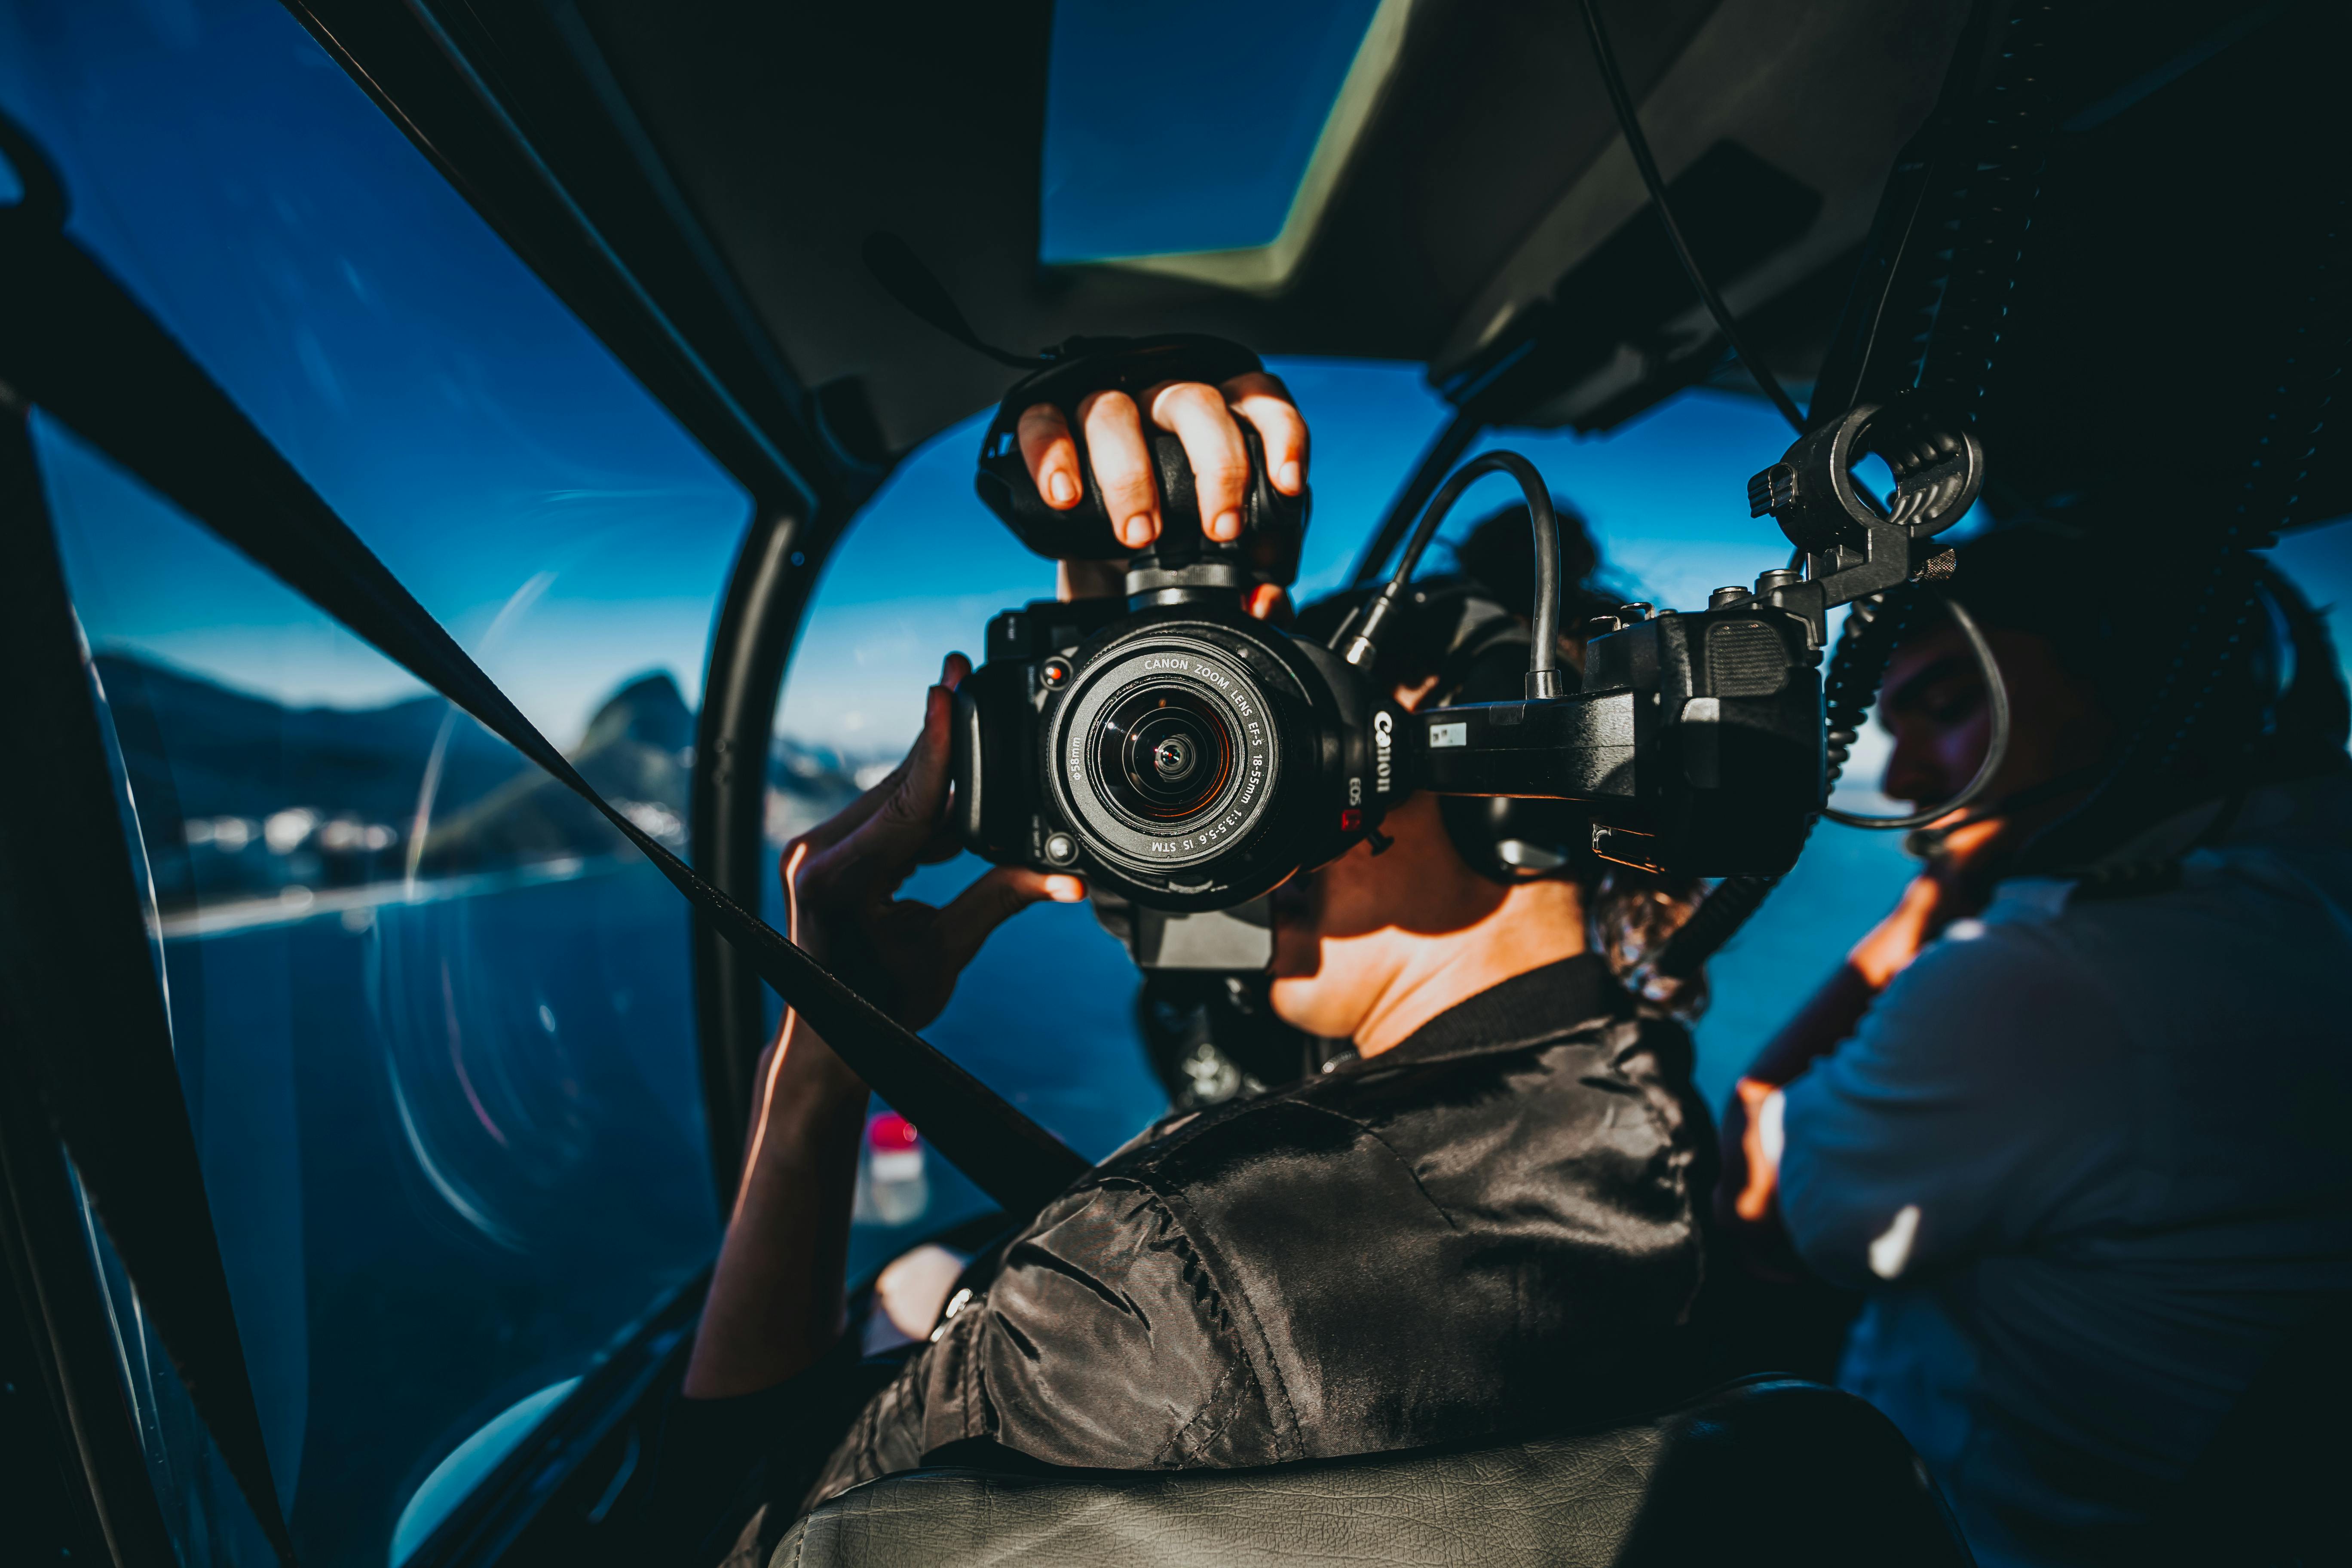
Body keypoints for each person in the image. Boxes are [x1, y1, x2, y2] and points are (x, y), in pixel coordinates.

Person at [669, 377, 1718, 1564]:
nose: (1261, 830)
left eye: (1321, 746)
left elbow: (726, 1524)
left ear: (1518, 786)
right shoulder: (1635, 1102)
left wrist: (815, 1079)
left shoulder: (1162, 1284)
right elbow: (1215, 996)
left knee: (910, 1284)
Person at [1715, 527, 2352, 1566]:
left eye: (1951, 705)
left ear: (2143, 689)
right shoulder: (2297, 900)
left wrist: (1943, 891)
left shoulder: (2061, 979)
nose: (1909, 779)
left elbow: (1764, 1216)